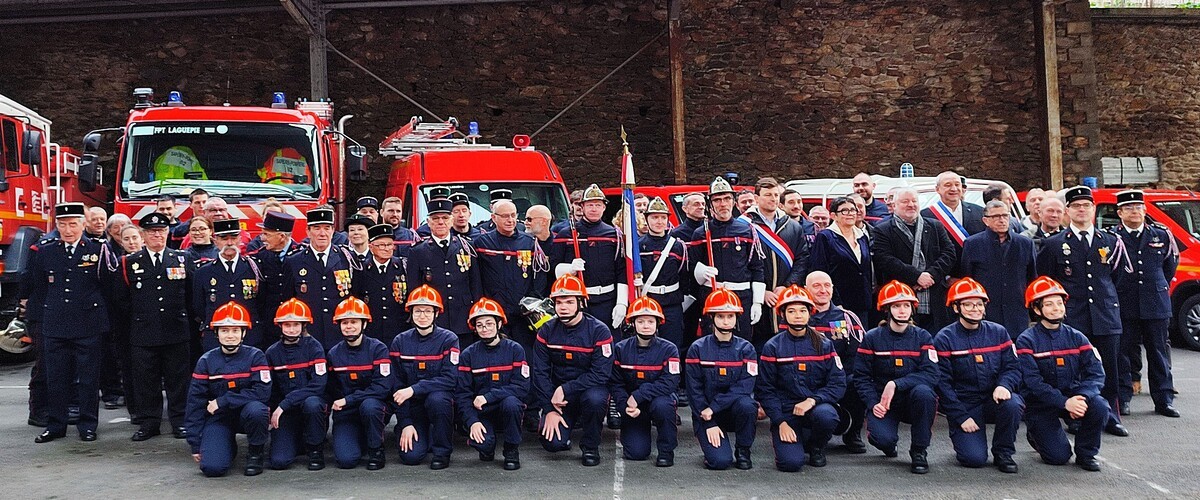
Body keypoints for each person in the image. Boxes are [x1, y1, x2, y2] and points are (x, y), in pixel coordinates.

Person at [1035, 185, 1128, 437]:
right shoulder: (1054, 244)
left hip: (1105, 315)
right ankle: (1075, 415)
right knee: (1073, 370)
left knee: (1109, 367)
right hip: (1073, 316)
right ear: (1067, 211)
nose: (1082, 210)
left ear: (1093, 209)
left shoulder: (1110, 241)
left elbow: (1118, 278)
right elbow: (1045, 281)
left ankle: (1111, 416)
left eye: (1086, 205)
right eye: (1076, 206)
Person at [25, 202, 111, 444]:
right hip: (56, 323)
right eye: (62, 225)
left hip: (88, 323)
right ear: (57, 226)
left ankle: (87, 425)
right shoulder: (46, 251)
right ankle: (56, 425)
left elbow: (108, 288)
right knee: (56, 378)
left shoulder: (97, 250)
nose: (68, 230)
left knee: (88, 379)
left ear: (83, 225)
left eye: (73, 224)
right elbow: (39, 288)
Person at [1016, 277, 1108, 471]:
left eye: (1059, 303)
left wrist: (1082, 397)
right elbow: (1033, 383)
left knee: (1099, 405)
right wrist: (1065, 402)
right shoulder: (1026, 341)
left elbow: (1096, 373)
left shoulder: (1077, 337)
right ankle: (1035, 434)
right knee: (1058, 457)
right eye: (1049, 304)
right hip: (1040, 404)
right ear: (1036, 309)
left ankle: (1086, 454)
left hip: (1074, 396)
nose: (1056, 308)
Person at [933, 278, 1024, 473]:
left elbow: (1013, 367)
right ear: (956, 308)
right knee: (974, 459)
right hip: (965, 404)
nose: (975, 309)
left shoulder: (999, 333)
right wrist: (960, 416)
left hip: (994, 398)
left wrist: (1004, 386)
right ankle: (965, 439)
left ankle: (1003, 452)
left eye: (979, 304)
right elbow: (943, 384)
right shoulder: (944, 339)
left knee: (1013, 404)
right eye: (967, 304)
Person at [854, 280, 939, 474]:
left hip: (913, 400)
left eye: (906, 306)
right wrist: (872, 403)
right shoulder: (872, 338)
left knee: (925, 393)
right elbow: (861, 376)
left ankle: (919, 451)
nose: (902, 311)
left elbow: (932, 374)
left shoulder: (923, 337)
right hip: (883, 403)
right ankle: (886, 442)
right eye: (896, 306)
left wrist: (897, 384)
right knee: (883, 439)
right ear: (887, 309)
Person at [757, 285, 846, 472]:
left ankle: (816, 447)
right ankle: (797, 439)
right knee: (790, 464)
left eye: (802, 310)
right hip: (786, 413)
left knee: (827, 416)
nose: (798, 315)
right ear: (783, 314)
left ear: (810, 313)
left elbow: (838, 383)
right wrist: (780, 422)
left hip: (815, 407)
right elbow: (765, 390)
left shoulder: (824, 344)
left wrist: (813, 400)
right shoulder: (772, 347)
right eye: (791, 311)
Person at [121, 212, 192, 442]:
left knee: (178, 379)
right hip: (143, 331)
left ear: (168, 233)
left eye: (161, 231)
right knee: (146, 380)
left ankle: (179, 420)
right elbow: (122, 300)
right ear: (143, 235)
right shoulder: (130, 263)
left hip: (176, 329)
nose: (157, 235)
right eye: (152, 232)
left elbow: (191, 296)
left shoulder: (181, 259)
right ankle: (149, 422)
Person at [532, 274, 614, 467]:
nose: (563, 307)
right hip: (558, 399)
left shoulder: (599, 331)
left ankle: (590, 446)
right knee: (552, 444)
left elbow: (601, 374)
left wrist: (566, 389)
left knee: (595, 400)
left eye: (569, 301)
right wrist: (549, 408)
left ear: (582, 303)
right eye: (559, 302)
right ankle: (564, 434)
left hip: (589, 390)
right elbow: (540, 373)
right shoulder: (545, 331)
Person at [1110, 190, 1179, 418]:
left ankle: (1164, 400)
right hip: (1125, 302)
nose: (1135, 211)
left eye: (1139, 207)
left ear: (1145, 210)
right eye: (1129, 208)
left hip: (1155, 302)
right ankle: (1124, 397)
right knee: (1124, 353)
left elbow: (1169, 266)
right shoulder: (1113, 238)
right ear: (1120, 212)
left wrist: (1157, 286)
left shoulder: (1161, 235)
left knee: (1158, 353)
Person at [184, 302, 271, 477]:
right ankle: (226, 446)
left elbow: (262, 393)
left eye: (235, 330)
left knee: (258, 410)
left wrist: (223, 400)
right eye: (224, 330)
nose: (230, 336)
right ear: (216, 333)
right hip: (219, 419)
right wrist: (195, 443)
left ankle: (255, 453)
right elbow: (195, 403)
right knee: (212, 468)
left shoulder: (256, 356)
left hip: (246, 415)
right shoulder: (206, 361)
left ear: (243, 333)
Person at [390, 285, 461, 470]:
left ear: (436, 313)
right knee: (411, 457)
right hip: (413, 409)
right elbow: (397, 386)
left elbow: (449, 379)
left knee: (438, 399)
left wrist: (414, 389)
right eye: (418, 311)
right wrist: (405, 423)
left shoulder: (449, 339)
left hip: (438, 404)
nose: (423, 315)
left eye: (428, 311)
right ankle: (422, 434)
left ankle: (442, 451)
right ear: (411, 313)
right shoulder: (399, 341)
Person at [686, 288, 758, 470]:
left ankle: (743, 450)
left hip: (729, 411)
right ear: (711, 318)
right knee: (720, 462)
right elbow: (694, 391)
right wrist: (708, 421)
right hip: (706, 414)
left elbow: (744, 387)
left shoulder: (747, 349)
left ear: (736, 318)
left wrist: (714, 407)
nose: (726, 322)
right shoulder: (697, 349)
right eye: (720, 317)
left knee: (748, 406)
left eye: (730, 316)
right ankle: (715, 446)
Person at [688, 177, 765, 340]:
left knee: (742, 344)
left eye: (727, 198)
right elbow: (691, 269)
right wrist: (700, 272)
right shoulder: (701, 233)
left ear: (733, 201)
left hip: (741, 298)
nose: (722, 204)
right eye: (717, 200)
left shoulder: (748, 230)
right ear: (710, 204)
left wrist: (757, 301)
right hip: (712, 297)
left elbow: (757, 268)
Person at [457, 297, 530, 470]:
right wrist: (472, 421)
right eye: (480, 325)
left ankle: (511, 449)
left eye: (489, 323)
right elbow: (462, 394)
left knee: (512, 402)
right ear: (474, 328)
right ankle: (487, 447)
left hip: (507, 409)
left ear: (499, 324)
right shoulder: (468, 355)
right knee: (483, 444)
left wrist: (489, 397)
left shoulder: (515, 350)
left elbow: (522, 387)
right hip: (482, 413)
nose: (485, 329)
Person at [871, 187, 957, 331]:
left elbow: (949, 253)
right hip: (900, 297)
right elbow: (884, 259)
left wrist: (930, 275)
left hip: (934, 297)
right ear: (894, 205)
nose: (911, 204)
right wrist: (916, 276)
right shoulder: (882, 229)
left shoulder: (935, 226)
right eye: (905, 201)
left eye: (914, 201)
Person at [610, 296, 681, 467]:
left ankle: (666, 451)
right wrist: (624, 406)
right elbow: (615, 383)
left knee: (663, 406)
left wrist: (639, 395)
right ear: (633, 323)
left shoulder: (669, 349)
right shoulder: (620, 349)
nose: (646, 325)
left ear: (658, 323)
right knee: (636, 453)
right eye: (641, 321)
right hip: (632, 405)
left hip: (659, 399)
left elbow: (670, 383)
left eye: (650, 321)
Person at [551, 184, 629, 336]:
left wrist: (621, 302)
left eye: (598, 205)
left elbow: (621, 270)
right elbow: (553, 267)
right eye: (590, 205)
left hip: (607, 301)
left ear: (604, 208)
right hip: (577, 301)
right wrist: (569, 269)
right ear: (582, 207)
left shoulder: (614, 235)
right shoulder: (565, 234)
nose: (594, 209)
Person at [741, 177, 809, 349]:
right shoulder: (743, 226)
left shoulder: (793, 226)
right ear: (756, 199)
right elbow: (740, 265)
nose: (773, 199)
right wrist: (760, 292)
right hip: (756, 298)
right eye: (768, 195)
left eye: (776, 195)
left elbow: (802, 259)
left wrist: (787, 286)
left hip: (784, 296)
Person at [326, 296, 393, 470]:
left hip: (373, 409)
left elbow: (382, 388)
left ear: (364, 324)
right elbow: (331, 389)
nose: (349, 327)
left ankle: (376, 450)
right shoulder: (333, 354)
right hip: (346, 414)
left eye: (354, 322)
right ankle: (360, 438)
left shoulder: (378, 349)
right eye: (344, 322)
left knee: (370, 406)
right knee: (346, 460)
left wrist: (349, 400)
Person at [805, 271, 868, 453]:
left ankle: (853, 433)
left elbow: (857, 357)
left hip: (840, 379)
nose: (822, 290)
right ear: (806, 289)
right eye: (816, 286)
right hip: (807, 383)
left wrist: (837, 380)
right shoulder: (797, 316)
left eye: (827, 285)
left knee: (858, 381)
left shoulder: (847, 318)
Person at [263, 298, 329, 471]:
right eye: (287, 325)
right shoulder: (272, 353)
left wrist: (285, 403)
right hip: (286, 414)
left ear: (304, 325)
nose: (291, 329)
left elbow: (318, 385)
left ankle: (315, 450)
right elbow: (269, 388)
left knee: (313, 403)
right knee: (279, 462)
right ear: (280, 326)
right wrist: (271, 411)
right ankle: (296, 440)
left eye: (296, 325)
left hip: (308, 409)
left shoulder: (315, 348)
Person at [474, 199, 549, 348]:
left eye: (513, 215)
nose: (510, 220)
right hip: (495, 313)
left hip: (523, 315)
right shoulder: (482, 243)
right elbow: (476, 278)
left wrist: (532, 303)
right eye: (505, 216)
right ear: (494, 217)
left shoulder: (529, 242)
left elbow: (539, 277)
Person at [283, 207, 359, 350]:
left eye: (327, 228)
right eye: (317, 228)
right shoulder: (294, 261)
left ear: (333, 231)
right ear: (308, 232)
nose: (322, 233)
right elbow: (289, 299)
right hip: (308, 334)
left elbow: (355, 295)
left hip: (340, 333)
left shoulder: (346, 258)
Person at [408, 198, 483, 343]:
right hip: (434, 319)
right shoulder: (417, 251)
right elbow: (414, 289)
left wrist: (477, 313)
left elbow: (476, 283)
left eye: (445, 218)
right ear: (428, 222)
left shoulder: (466, 247)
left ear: (451, 220)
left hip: (463, 317)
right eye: (435, 219)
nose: (440, 222)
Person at [961, 200, 1036, 338]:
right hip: (986, 313)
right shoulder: (972, 244)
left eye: (1005, 215)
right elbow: (967, 279)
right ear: (985, 220)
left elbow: (1032, 279)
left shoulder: (1025, 243)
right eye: (996, 217)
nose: (1001, 220)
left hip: (1017, 314)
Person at [192, 218, 265, 354]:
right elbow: (199, 306)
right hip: (216, 336)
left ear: (240, 239)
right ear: (215, 240)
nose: (230, 243)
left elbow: (262, 301)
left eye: (234, 237)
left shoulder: (254, 267)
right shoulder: (203, 271)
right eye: (224, 238)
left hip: (249, 335)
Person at [810, 196, 873, 324]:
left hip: (863, 303)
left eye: (852, 210)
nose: (850, 214)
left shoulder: (862, 237)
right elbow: (820, 270)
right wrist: (835, 302)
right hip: (839, 303)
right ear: (833, 215)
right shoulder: (825, 237)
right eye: (844, 210)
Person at [638, 197, 688, 350]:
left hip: (672, 304)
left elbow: (684, 275)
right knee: (646, 344)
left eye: (663, 217)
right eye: (654, 217)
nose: (659, 221)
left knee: (673, 345)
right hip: (648, 301)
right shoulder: (638, 246)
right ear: (647, 219)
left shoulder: (678, 246)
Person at [248, 211, 304, 347]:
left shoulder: (302, 255)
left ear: (281, 236)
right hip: (269, 327)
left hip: (297, 325)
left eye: (267, 234)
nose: (262, 238)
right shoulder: (259, 257)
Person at [351, 224, 410, 345]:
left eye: (390, 245)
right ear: (371, 247)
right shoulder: (361, 269)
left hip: (399, 330)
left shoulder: (403, 267)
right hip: (372, 332)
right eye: (382, 245)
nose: (387, 249)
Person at [921, 171, 986, 249]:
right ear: (937, 189)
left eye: (957, 184)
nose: (954, 189)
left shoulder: (979, 211)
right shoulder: (925, 215)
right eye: (948, 185)